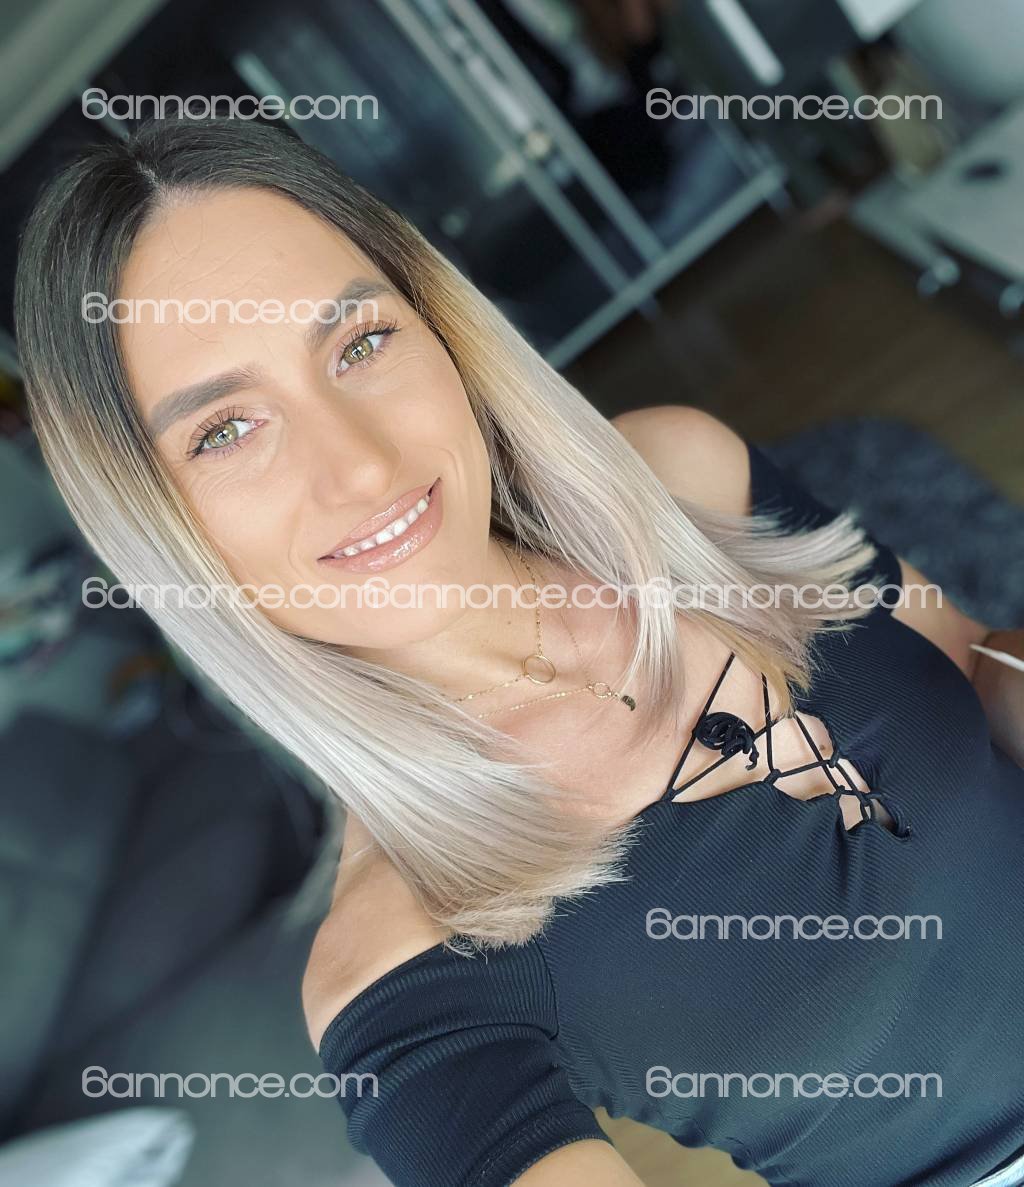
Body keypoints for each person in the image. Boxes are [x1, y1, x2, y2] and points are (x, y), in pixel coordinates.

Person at [14, 118, 1024, 1187]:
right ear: (157, 524)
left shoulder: (682, 483)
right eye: (225, 429)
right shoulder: (405, 962)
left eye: (359, 344)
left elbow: (969, 659)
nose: (362, 467)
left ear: (439, 324)